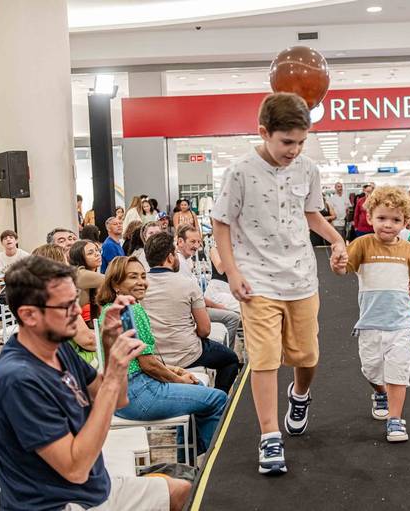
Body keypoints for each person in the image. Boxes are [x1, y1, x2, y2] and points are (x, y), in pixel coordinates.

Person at [212, 92, 347, 475]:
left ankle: (299, 395)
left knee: (307, 356)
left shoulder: (308, 169)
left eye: (301, 141)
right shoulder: (239, 171)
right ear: (264, 132)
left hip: (301, 278)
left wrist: (337, 240)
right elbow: (221, 222)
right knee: (264, 358)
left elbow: (311, 214)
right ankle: (269, 435)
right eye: (287, 141)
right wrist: (232, 272)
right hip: (256, 282)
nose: (294, 149)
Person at [0, 256, 190, 510]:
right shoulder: (18, 379)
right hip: (61, 503)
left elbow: (118, 399)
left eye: (76, 300)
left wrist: (109, 342)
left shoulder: (57, 347)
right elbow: (76, 468)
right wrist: (113, 376)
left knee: (181, 491)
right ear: (28, 315)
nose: (77, 311)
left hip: (91, 490)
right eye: (66, 305)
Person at [335, 186, 410, 442]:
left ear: (405, 222)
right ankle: (380, 392)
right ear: (370, 217)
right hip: (370, 322)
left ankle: (395, 419)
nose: (388, 225)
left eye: (396, 220)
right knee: (370, 369)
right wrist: (338, 264)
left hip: (400, 322)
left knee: (398, 372)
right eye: (382, 218)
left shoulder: (407, 250)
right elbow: (344, 270)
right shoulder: (362, 244)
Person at [97, 256, 227, 458]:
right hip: (138, 394)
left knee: (198, 389)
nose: (141, 282)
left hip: (123, 393)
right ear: (116, 284)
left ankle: (187, 458)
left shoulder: (111, 309)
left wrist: (174, 371)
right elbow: (147, 364)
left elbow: (140, 359)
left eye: (143, 276)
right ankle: (214, 460)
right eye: (133, 277)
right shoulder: (132, 310)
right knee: (217, 398)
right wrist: (178, 379)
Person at [141, 232, 239, 393]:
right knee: (231, 360)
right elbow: (205, 330)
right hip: (187, 355)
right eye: (175, 253)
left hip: (153, 357)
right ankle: (218, 399)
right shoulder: (187, 284)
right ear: (170, 257)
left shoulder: (140, 286)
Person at [175, 225, 241, 349]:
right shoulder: (179, 262)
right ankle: (226, 352)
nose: (196, 245)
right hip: (196, 306)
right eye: (193, 242)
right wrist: (218, 306)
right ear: (180, 241)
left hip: (202, 302)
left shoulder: (187, 261)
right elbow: (220, 270)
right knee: (234, 316)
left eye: (198, 242)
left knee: (238, 312)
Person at [69, 240, 104, 326]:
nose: (97, 254)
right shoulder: (80, 274)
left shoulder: (91, 275)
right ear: (80, 258)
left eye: (97, 250)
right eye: (90, 253)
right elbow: (113, 280)